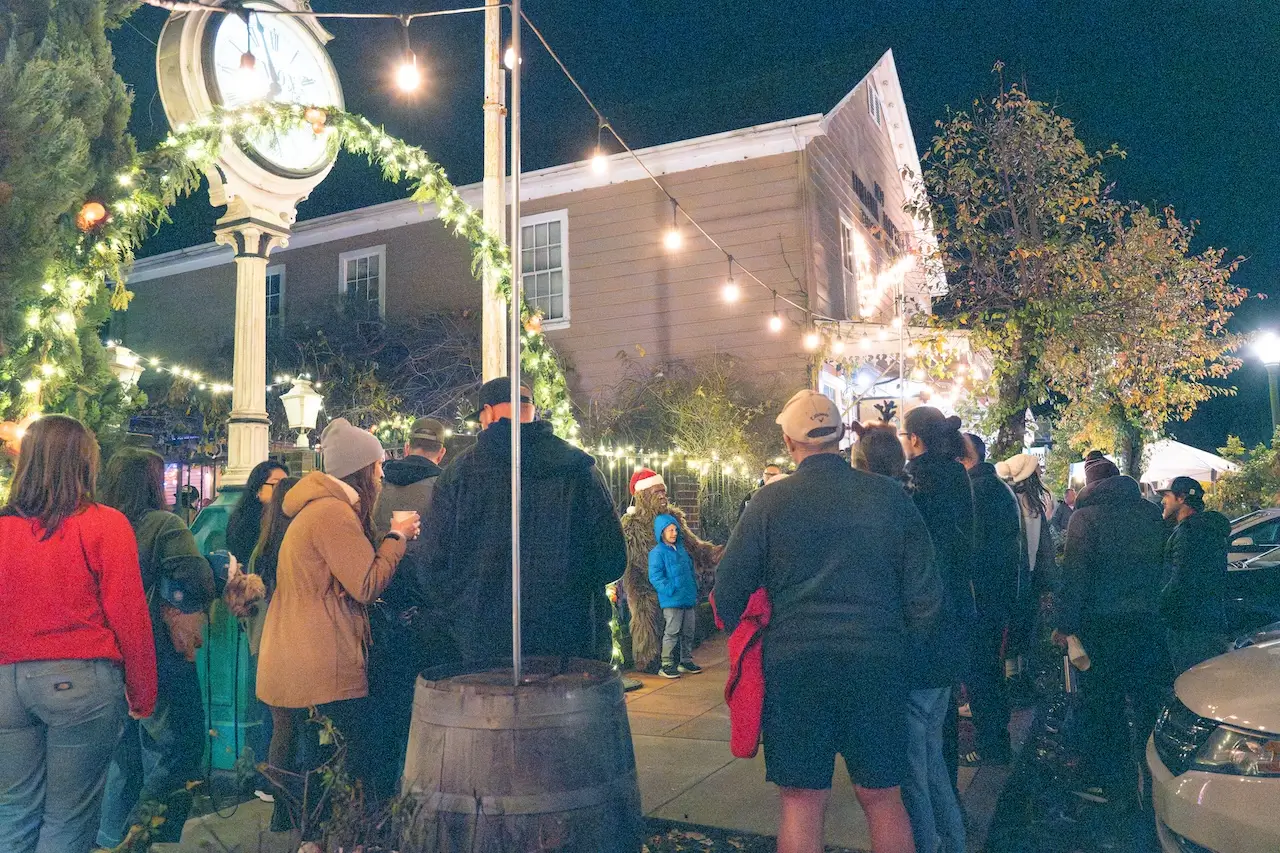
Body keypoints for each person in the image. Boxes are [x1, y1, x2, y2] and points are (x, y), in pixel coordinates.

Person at [715, 390, 941, 853]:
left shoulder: (768, 503)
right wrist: (906, 655)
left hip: (796, 668)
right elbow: (926, 596)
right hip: (877, 664)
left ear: (788, 440)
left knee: (801, 801)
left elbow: (727, 593)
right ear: (841, 437)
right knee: (883, 797)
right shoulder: (890, 498)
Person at [0, 415, 158, 853]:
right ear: (84, 462)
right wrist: (143, 693)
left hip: (6, 682)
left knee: (13, 811)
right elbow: (128, 615)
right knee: (68, 817)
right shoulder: (105, 524)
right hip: (78, 679)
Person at [256, 418, 420, 805]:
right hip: (322, 655)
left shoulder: (317, 510)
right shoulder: (333, 513)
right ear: (360, 470)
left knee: (311, 753)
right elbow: (365, 584)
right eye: (377, 466)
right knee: (349, 757)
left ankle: (300, 825)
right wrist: (397, 537)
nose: (381, 475)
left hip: (299, 649)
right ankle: (335, 827)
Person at [414, 378, 626, 665]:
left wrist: (462, 610)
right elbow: (612, 559)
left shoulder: (460, 474)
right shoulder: (579, 468)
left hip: (484, 642)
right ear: (532, 411)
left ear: (488, 413)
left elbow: (432, 561)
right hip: (570, 641)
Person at [94, 448, 216, 850]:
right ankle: (146, 835)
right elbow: (197, 579)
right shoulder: (163, 525)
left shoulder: (97, 524)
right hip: (158, 652)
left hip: (107, 656)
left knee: (125, 754)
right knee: (178, 746)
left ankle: (112, 837)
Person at [1053, 449, 1171, 809]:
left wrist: (1064, 625)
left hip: (1102, 628)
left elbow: (1075, 577)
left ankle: (1118, 790)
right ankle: (1156, 784)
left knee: (1106, 708)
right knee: (1149, 704)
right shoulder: (1150, 513)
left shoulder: (1084, 518)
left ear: (1090, 485)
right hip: (1148, 623)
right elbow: (1163, 567)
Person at [900, 406, 972, 853]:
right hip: (952, 622)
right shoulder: (958, 475)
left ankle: (928, 842)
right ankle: (955, 836)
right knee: (936, 752)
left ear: (914, 439)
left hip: (922, 630)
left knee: (916, 765)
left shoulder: (915, 480)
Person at [223, 475, 299, 822]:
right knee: (292, 725)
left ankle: (278, 804)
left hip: (263, 644)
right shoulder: (293, 545)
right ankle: (288, 805)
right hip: (288, 642)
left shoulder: (261, 547)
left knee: (278, 721)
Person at [959, 434, 1020, 767]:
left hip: (982, 600)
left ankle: (991, 747)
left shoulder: (977, 492)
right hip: (997, 599)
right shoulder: (998, 488)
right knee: (990, 674)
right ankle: (996, 744)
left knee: (981, 677)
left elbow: (974, 551)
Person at [621, 467, 720, 673]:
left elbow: (692, 543)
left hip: (673, 579)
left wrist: (709, 554)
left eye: (663, 491)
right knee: (647, 616)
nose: (662, 496)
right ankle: (650, 660)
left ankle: (678, 657)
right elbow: (639, 559)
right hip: (645, 583)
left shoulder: (672, 518)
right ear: (643, 495)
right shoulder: (632, 525)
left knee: (681, 621)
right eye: (657, 492)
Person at [1159, 476, 1231, 673]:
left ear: (1181, 498)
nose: (1163, 501)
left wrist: (1159, 605)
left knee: (1191, 681)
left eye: (1167, 496)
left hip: (1189, 625)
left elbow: (1180, 579)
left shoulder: (1188, 532)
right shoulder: (1209, 529)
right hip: (1209, 620)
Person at [995, 453, 1057, 672]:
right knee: (1018, 633)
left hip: (1020, 579)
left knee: (1018, 632)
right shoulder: (1022, 504)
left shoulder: (1019, 503)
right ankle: (1016, 676)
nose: (1040, 472)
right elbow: (1044, 548)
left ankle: (1015, 675)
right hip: (1021, 579)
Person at [372, 417, 447, 535]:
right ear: (441, 453)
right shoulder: (446, 488)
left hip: (379, 546)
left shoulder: (377, 481)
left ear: (406, 448)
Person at [649, 513, 701, 678]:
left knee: (688, 631)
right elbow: (656, 577)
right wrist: (670, 590)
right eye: (670, 530)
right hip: (672, 600)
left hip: (687, 598)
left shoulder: (682, 550)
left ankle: (685, 660)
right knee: (672, 631)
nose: (674, 533)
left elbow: (690, 572)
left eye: (675, 530)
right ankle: (666, 663)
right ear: (661, 532)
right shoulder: (657, 553)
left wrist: (693, 588)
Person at [225, 460, 289, 566]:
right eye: (276, 485)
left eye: (286, 486)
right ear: (258, 490)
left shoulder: (291, 520)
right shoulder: (243, 522)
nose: (283, 491)